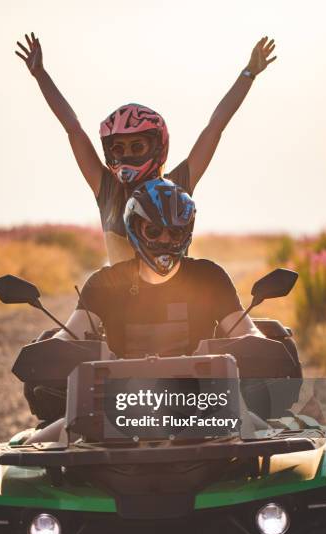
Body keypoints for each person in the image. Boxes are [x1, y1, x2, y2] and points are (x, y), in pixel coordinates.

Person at [26, 178, 262, 443]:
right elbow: (71, 336)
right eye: (154, 231)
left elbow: (246, 330)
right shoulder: (106, 283)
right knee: (32, 447)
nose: (165, 240)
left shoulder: (210, 277)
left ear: (187, 233)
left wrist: (256, 345)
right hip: (116, 404)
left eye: (175, 233)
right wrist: (54, 351)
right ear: (135, 229)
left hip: (204, 403)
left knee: (268, 436)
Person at [15, 33, 277, 264]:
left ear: (157, 146)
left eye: (137, 145)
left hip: (179, 309)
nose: (126, 154)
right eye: (118, 147)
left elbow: (215, 127)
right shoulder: (109, 191)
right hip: (119, 314)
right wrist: (40, 74)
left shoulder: (176, 186)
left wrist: (248, 74)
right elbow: (73, 129)